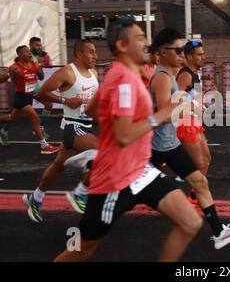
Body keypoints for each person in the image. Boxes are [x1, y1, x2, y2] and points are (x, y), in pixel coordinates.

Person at [54, 17, 203, 262]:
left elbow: (92, 109)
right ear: (123, 45)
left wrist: (111, 131)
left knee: (190, 222)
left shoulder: (124, 74)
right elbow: (123, 136)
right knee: (81, 251)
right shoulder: (124, 81)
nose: (147, 43)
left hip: (141, 171)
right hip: (116, 180)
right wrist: (160, 116)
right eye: (140, 38)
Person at [149, 28, 230, 250]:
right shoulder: (164, 78)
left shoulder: (172, 75)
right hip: (156, 145)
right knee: (125, 191)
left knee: (200, 180)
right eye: (178, 50)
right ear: (163, 52)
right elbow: (165, 114)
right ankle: (94, 199)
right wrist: (192, 104)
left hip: (169, 145)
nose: (181, 54)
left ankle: (219, 232)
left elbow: (176, 105)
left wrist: (196, 102)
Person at [22, 40, 99, 223]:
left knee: (58, 166)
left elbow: (94, 101)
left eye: (96, 52)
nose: (96, 56)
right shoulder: (67, 72)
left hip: (88, 126)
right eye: (91, 52)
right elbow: (41, 94)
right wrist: (65, 101)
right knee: (104, 153)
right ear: (79, 54)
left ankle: (36, 198)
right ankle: (80, 193)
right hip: (73, 127)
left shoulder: (94, 73)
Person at [0, 46, 59, 154]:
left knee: (10, 118)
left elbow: (41, 77)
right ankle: (44, 146)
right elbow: (3, 78)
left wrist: (40, 71)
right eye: (26, 52)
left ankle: (3, 131)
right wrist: (10, 75)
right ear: (20, 55)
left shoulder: (34, 64)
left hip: (30, 95)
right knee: (35, 118)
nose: (29, 53)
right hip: (21, 97)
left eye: (29, 51)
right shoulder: (15, 67)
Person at [176, 40, 210, 204]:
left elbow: (195, 98)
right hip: (185, 123)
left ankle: (196, 194)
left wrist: (202, 102)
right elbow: (174, 102)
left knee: (206, 160)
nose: (203, 57)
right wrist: (197, 104)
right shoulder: (186, 75)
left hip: (194, 122)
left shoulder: (195, 74)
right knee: (198, 163)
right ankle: (176, 194)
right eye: (199, 54)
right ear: (189, 56)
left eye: (203, 54)